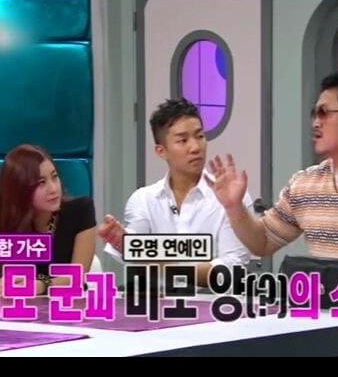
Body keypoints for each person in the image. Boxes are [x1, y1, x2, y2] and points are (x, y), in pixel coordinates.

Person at [206, 69, 338, 273]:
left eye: (324, 113)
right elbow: (262, 242)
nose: (315, 123)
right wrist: (234, 208)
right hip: (319, 295)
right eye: (314, 114)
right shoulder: (305, 184)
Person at [98, 97, 253, 286]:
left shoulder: (231, 199)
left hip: (214, 301)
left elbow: (232, 266)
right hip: (157, 302)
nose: (195, 147)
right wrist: (122, 242)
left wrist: (167, 267)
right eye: (183, 140)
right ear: (161, 151)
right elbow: (135, 250)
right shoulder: (143, 200)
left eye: (200, 136)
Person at [0, 144, 96, 296]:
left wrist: (42, 285)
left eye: (54, 177)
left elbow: (78, 277)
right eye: (41, 182)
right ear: (20, 188)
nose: (53, 189)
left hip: (67, 305)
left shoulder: (80, 210)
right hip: (17, 306)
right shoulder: (7, 221)